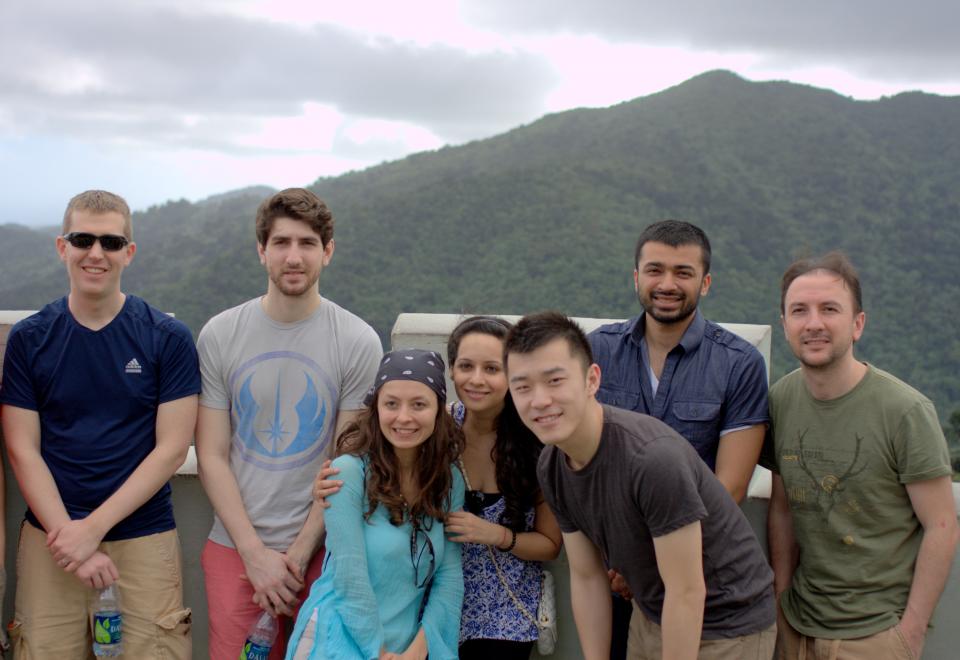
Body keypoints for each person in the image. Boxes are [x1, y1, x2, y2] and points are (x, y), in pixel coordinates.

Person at [506, 311, 776, 660]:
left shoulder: (651, 459)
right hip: (652, 615)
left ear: (592, 380)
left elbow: (687, 591)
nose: (539, 400)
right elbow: (587, 577)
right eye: (522, 387)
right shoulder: (553, 464)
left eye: (555, 381)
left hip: (727, 624)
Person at [0, 190, 199, 657]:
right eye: (82, 239)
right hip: (52, 538)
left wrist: (92, 531)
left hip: (143, 537)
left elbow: (171, 449)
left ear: (129, 253)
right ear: (61, 246)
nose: (96, 253)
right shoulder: (31, 339)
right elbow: (22, 448)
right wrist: (70, 535)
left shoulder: (165, 338)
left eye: (110, 242)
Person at [195, 187, 382, 659]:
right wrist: (255, 554)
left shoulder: (358, 341)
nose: (293, 257)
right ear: (262, 252)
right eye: (281, 243)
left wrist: (297, 555)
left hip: (325, 551)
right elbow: (212, 455)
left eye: (307, 243)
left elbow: (346, 462)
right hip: (235, 547)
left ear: (328, 251)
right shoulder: (220, 334)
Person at [764, 252, 959, 659]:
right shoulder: (781, 399)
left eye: (829, 309)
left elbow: (942, 523)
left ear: (857, 324)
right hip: (797, 626)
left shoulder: (905, 411)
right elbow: (782, 508)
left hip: (875, 634)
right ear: (784, 325)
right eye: (799, 310)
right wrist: (781, 599)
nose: (814, 323)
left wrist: (910, 633)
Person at [588, 220, 768, 655]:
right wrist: (624, 562)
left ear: (705, 283)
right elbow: (580, 464)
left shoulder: (738, 364)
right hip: (610, 577)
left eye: (683, 273)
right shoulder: (597, 352)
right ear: (636, 277)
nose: (667, 284)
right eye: (655, 270)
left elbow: (730, 487)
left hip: (698, 576)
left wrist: (646, 564)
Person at [286, 349, 465, 660]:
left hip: (404, 646)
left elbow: (449, 576)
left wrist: (417, 650)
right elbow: (348, 573)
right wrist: (377, 652)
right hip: (336, 638)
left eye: (419, 404)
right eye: (391, 404)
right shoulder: (349, 473)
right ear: (376, 408)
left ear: (439, 410)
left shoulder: (448, 480)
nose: (404, 417)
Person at [443, 316, 562, 659]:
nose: (476, 380)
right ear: (452, 370)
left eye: (492, 369)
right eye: (466, 366)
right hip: (437, 607)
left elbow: (550, 544)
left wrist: (493, 534)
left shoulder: (537, 444)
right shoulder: (437, 431)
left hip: (506, 618)